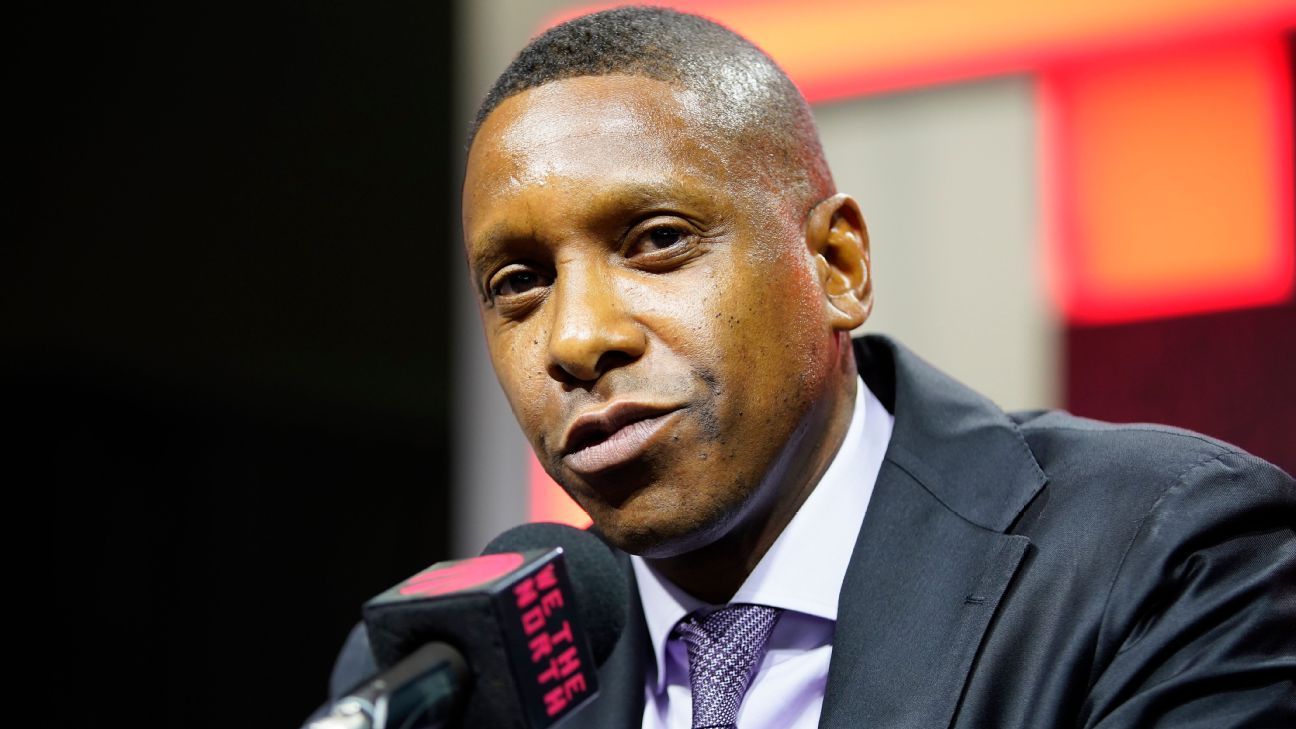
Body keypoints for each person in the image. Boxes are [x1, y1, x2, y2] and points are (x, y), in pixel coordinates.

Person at [321, 7, 1296, 728]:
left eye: (657, 241)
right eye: (520, 284)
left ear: (837, 266)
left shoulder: (1165, 553)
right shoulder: (446, 675)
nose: (576, 339)